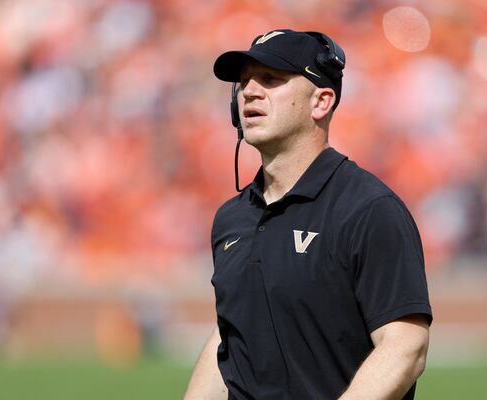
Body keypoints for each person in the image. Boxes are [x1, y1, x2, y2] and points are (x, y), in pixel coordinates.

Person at [184, 29, 432, 400]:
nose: (249, 91)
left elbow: (405, 346)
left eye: (271, 79)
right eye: (245, 81)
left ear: (321, 102)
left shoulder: (368, 209)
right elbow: (230, 338)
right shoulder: (232, 218)